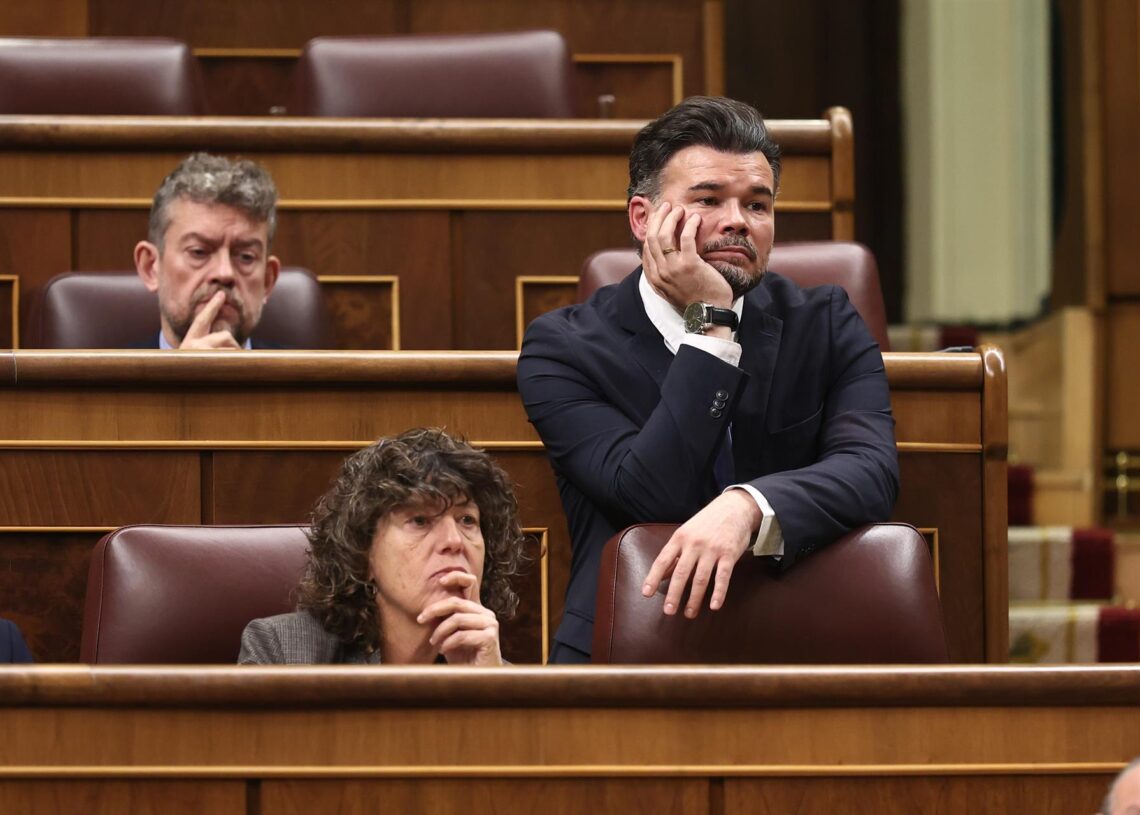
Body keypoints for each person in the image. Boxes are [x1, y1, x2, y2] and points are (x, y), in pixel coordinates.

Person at [517, 96, 899, 663]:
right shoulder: (562, 347)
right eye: (708, 200)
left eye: (758, 204)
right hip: (626, 650)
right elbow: (648, 494)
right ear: (644, 219)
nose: (738, 221)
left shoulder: (826, 322)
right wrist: (712, 325)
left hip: (798, 640)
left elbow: (872, 471)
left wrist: (748, 506)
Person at [239, 428, 525, 665]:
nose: (454, 541)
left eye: (467, 520)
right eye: (420, 520)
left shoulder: (494, 670)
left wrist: (485, 691)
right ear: (363, 554)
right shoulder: (284, 652)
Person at [134, 152, 281, 349]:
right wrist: (175, 377)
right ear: (151, 267)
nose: (224, 273)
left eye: (246, 257)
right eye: (199, 252)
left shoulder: (309, 378)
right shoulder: (102, 377)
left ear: (267, 280)